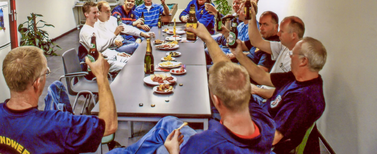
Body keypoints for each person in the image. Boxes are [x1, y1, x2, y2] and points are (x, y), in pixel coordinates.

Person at [187, 23, 326, 153]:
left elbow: (272, 138)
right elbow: (262, 77)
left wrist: (232, 133)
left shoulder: (304, 98)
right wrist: (239, 54)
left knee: (176, 125)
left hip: (253, 136)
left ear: (303, 61)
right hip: (257, 115)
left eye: (292, 54)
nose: (290, 57)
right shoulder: (297, 77)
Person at [109, 61, 275, 154]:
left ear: (216, 101)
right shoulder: (266, 123)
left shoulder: (203, 145)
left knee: (165, 137)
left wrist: (173, 151)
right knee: (168, 123)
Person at [0, 46, 118, 154]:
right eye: (46, 72)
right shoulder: (57, 126)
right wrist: (101, 76)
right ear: (37, 83)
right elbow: (109, 126)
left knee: (56, 88)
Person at [80, 1, 129, 73]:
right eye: (94, 13)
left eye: (97, 12)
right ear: (86, 14)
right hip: (98, 65)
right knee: (129, 67)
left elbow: (103, 49)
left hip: (106, 58)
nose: (97, 15)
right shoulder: (85, 31)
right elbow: (99, 48)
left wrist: (117, 54)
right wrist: (115, 34)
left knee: (131, 60)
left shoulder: (94, 28)